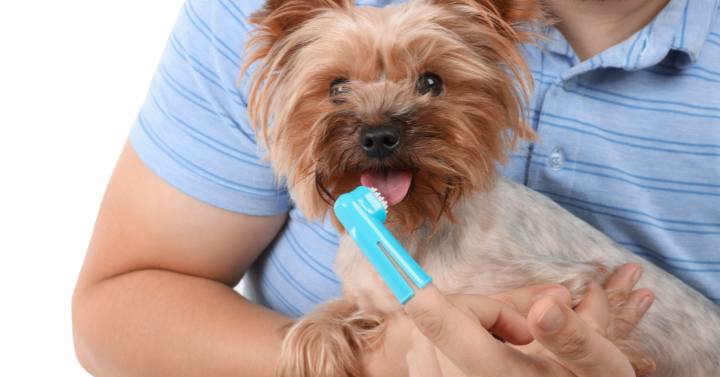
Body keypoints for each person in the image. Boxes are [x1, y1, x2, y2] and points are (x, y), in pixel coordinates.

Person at [71, 0, 720, 376]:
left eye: (430, 84)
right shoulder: (245, 15)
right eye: (338, 88)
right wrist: (378, 357)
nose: (379, 124)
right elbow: (112, 310)